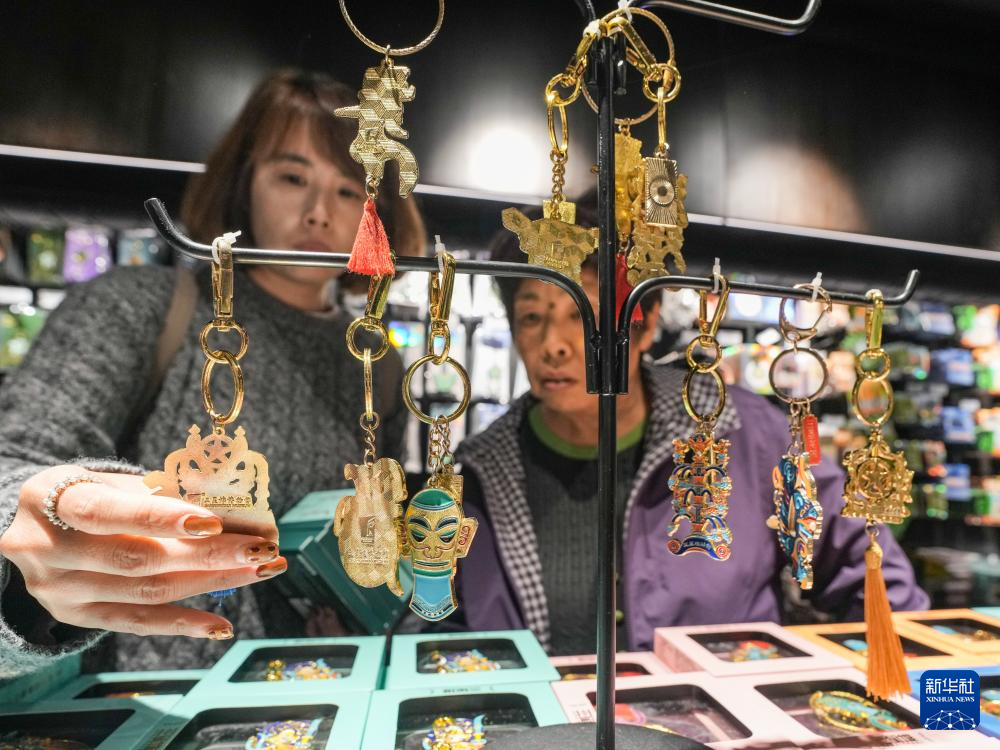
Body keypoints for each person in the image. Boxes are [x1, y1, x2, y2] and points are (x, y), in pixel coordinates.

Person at [0, 69, 425, 676]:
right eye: (292, 177)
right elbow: (17, 461)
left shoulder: (377, 364)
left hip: (314, 693)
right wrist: (36, 535)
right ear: (245, 182)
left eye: (349, 190)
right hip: (141, 699)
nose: (318, 214)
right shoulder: (139, 308)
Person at [454, 204, 929, 656]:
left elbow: (868, 572)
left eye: (581, 314)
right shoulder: (482, 471)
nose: (552, 345)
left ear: (644, 325)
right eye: (532, 317)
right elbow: (443, 629)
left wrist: (907, 686)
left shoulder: (745, 432)